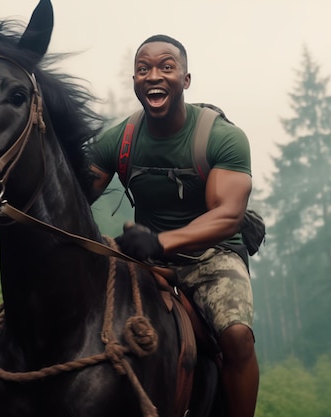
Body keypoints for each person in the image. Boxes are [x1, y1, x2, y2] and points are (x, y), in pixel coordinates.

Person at [87, 34, 259, 417]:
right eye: (143, 68)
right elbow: (75, 195)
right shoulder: (119, 141)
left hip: (211, 257)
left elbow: (227, 215)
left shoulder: (221, 137)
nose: (154, 76)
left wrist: (160, 242)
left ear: (185, 79)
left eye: (167, 67)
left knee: (236, 336)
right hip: (145, 259)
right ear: (134, 80)